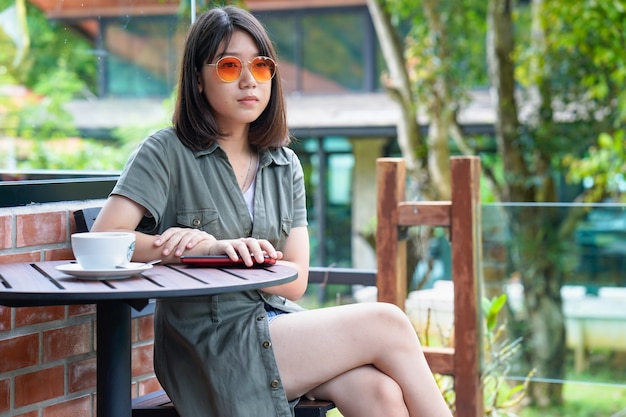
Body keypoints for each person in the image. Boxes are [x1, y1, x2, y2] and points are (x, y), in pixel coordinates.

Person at [92, 5, 452, 417]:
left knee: (379, 394)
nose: (248, 81)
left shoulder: (284, 164)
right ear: (197, 77)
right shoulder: (166, 151)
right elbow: (106, 240)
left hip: (275, 321)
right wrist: (185, 248)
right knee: (387, 322)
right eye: (229, 67)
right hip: (209, 343)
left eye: (261, 67)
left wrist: (238, 258)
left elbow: (295, 281)